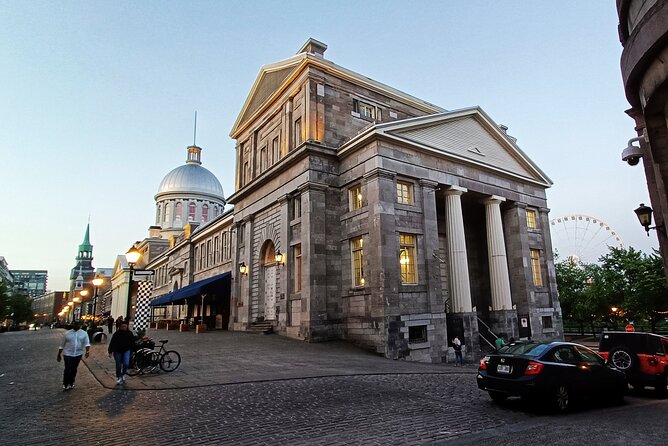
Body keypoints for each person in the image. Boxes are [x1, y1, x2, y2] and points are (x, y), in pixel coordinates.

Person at [57, 320, 90, 391]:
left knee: (74, 369)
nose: (77, 326)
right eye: (75, 324)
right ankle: (65, 383)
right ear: (73, 325)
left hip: (78, 354)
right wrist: (59, 354)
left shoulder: (84, 333)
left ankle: (71, 382)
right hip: (67, 353)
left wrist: (87, 351)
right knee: (68, 368)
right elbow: (62, 345)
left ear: (80, 325)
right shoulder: (67, 333)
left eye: (78, 324)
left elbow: (87, 343)